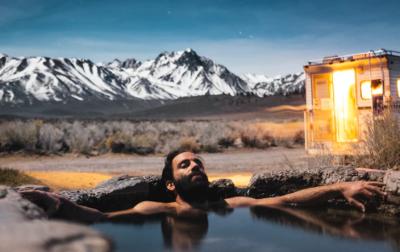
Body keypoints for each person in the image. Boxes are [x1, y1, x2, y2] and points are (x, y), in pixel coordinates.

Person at [20, 150, 386, 223]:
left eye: (199, 162)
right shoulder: (155, 210)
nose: (195, 165)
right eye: (185, 164)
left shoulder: (231, 206)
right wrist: (55, 202)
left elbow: (289, 199)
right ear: (169, 183)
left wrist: (341, 187)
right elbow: (100, 217)